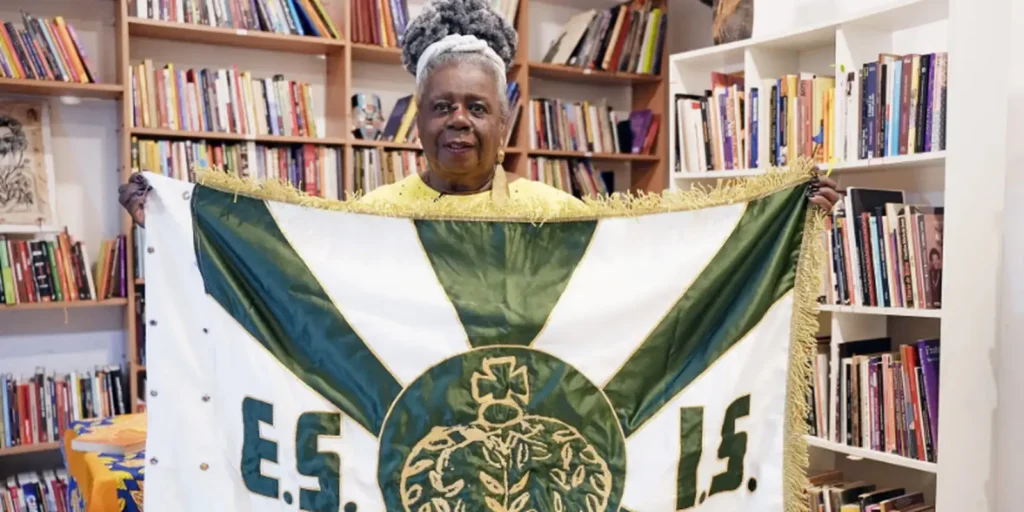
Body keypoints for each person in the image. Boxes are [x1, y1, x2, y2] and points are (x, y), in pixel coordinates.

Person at [117, 0, 839, 224]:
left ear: (507, 118)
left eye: (476, 106)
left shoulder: (556, 214)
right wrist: (176, 223)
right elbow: (283, 274)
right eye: (441, 106)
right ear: (418, 117)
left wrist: (779, 216)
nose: (458, 120)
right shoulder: (370, 218)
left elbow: (661, 254)